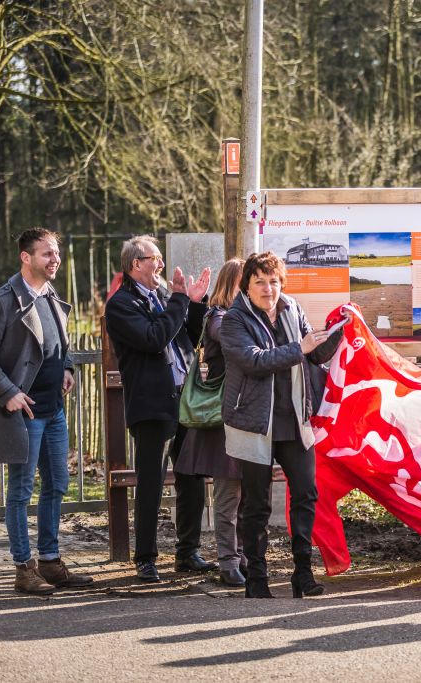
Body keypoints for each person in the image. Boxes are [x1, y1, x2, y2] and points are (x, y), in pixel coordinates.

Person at [0, 228, 94, 594]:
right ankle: (24, 568)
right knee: (21, 492)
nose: (54, 260)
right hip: (23, 413)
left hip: (53, 411)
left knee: (57, 484)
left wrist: (67, 366)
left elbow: (58, 344)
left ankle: (51, 562)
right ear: (26, 257)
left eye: (56, 253)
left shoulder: (51, 295)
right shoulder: (2, 300)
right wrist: (7, 392)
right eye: (46, 254)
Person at [220, 251, 343, 598]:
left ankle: (302, 573)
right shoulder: (234, 319)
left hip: (293, 417)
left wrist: (340, 331)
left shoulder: (292, 308)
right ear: (247, 285)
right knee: (257, 503)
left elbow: (313, 354)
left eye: (273, 281)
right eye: (259, 281)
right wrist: (299, 348)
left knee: (306, 492)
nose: (267, 288)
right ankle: (257, 579)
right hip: (254, 422)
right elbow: (253, 361)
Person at [104, 235, 215, 582]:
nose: (162, 265)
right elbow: (154, 338)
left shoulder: (166, 297)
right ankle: (146, 558)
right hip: (152, 405)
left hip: (184, 400)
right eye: (156, 258)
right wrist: (180, 300)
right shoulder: (121, 304)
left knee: (192, 475)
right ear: (137, 264)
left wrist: (193, 305)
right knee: (151, 482)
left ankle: (187, 552)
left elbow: (187, 338)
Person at [174, 258, 247, 587]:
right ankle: (228, 561)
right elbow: (236, 344)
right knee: (228, 494)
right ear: (236, 284)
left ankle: (241, 556)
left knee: (246, 493)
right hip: (223, 419)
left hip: (247, 416)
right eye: (251, 281)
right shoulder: (219, 317)